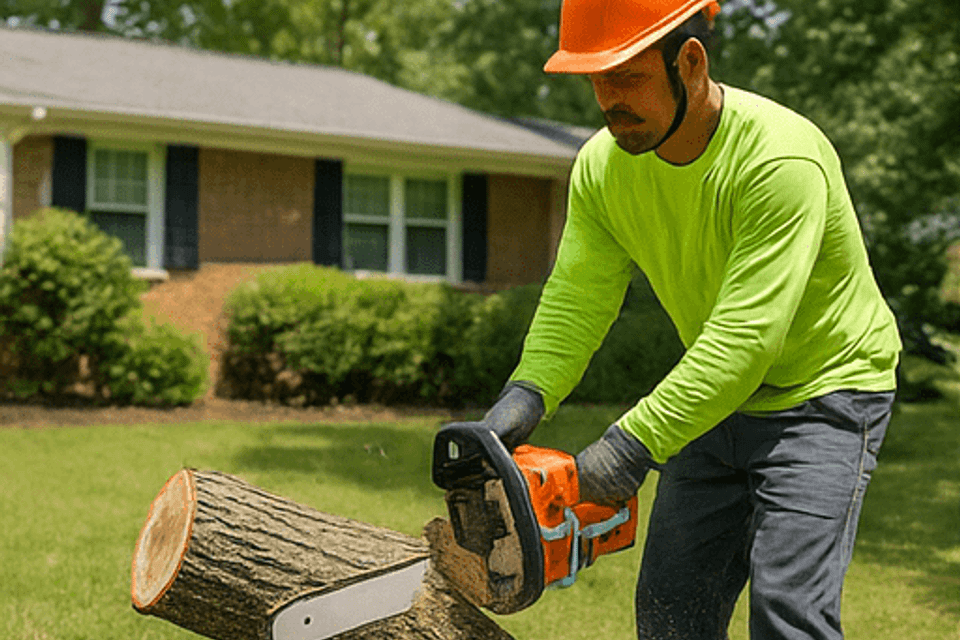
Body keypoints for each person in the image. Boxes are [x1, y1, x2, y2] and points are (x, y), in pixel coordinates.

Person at [448, 0, 903, 638]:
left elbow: (747, 340)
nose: (609, 100)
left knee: (787, 612)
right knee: (670, 613)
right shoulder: (604, 167)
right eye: (596, 81)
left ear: (690, 62)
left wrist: (630, 446)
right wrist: (526, 394)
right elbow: (579, 294)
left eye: (628, 77)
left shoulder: (779, 160)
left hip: (825, 393)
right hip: (712, 399)